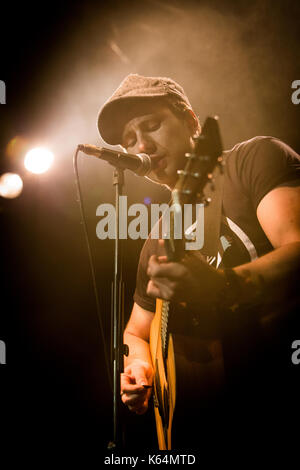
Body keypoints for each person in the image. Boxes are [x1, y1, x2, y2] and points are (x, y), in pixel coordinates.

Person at [97, 74, 300, 450]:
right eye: (129, 141)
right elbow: (135, 333)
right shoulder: (158, 236)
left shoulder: (251, 160)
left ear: (191, 121)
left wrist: (223, 286)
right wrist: (140, 369)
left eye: (152, 125)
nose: (142, 145)